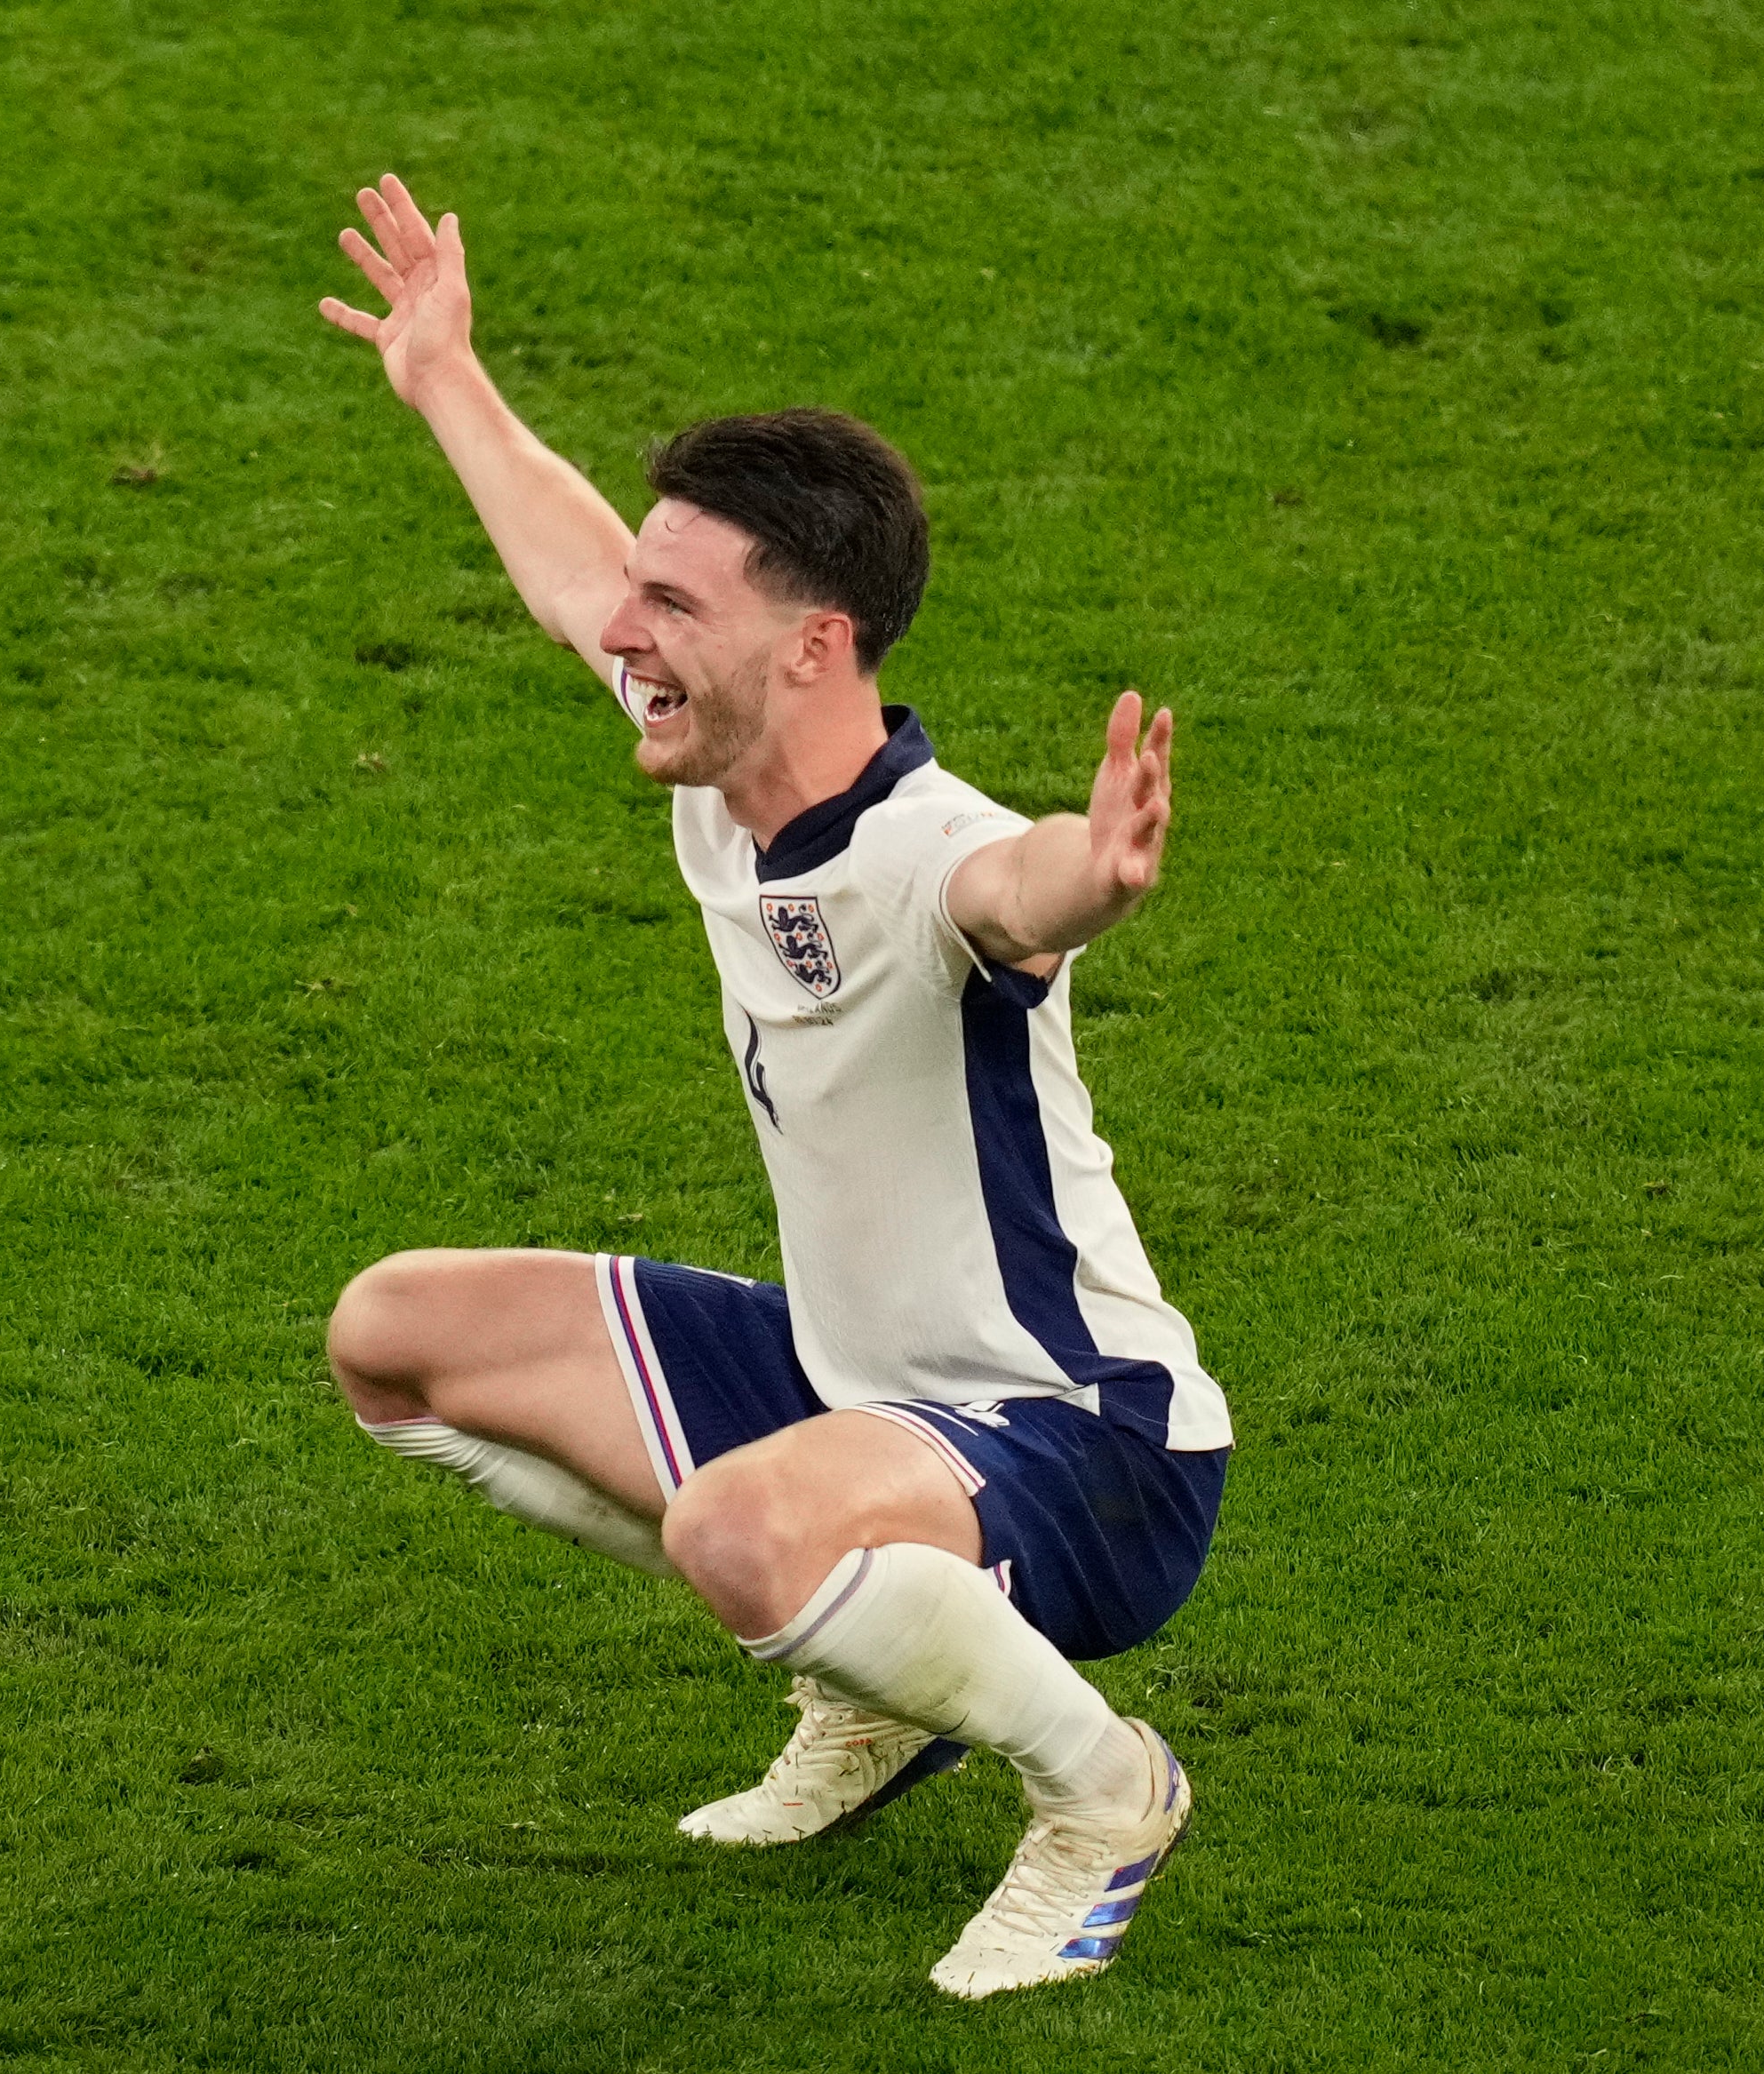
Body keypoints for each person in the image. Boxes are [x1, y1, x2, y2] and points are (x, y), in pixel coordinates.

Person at [314, 174, 1232, 2002]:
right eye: (640, 597)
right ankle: (879, 1680)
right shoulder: (711, 760)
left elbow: (1012, 892)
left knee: (730, 1529)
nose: (625, 630)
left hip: (1083, 1443)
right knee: (391, 1336)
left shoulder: (927, 854)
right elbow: (577, 567)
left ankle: (1101, 1789)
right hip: (849, 1377)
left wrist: (1095, 879)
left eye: (677, 603)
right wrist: (443, 378)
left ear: (814, 644)